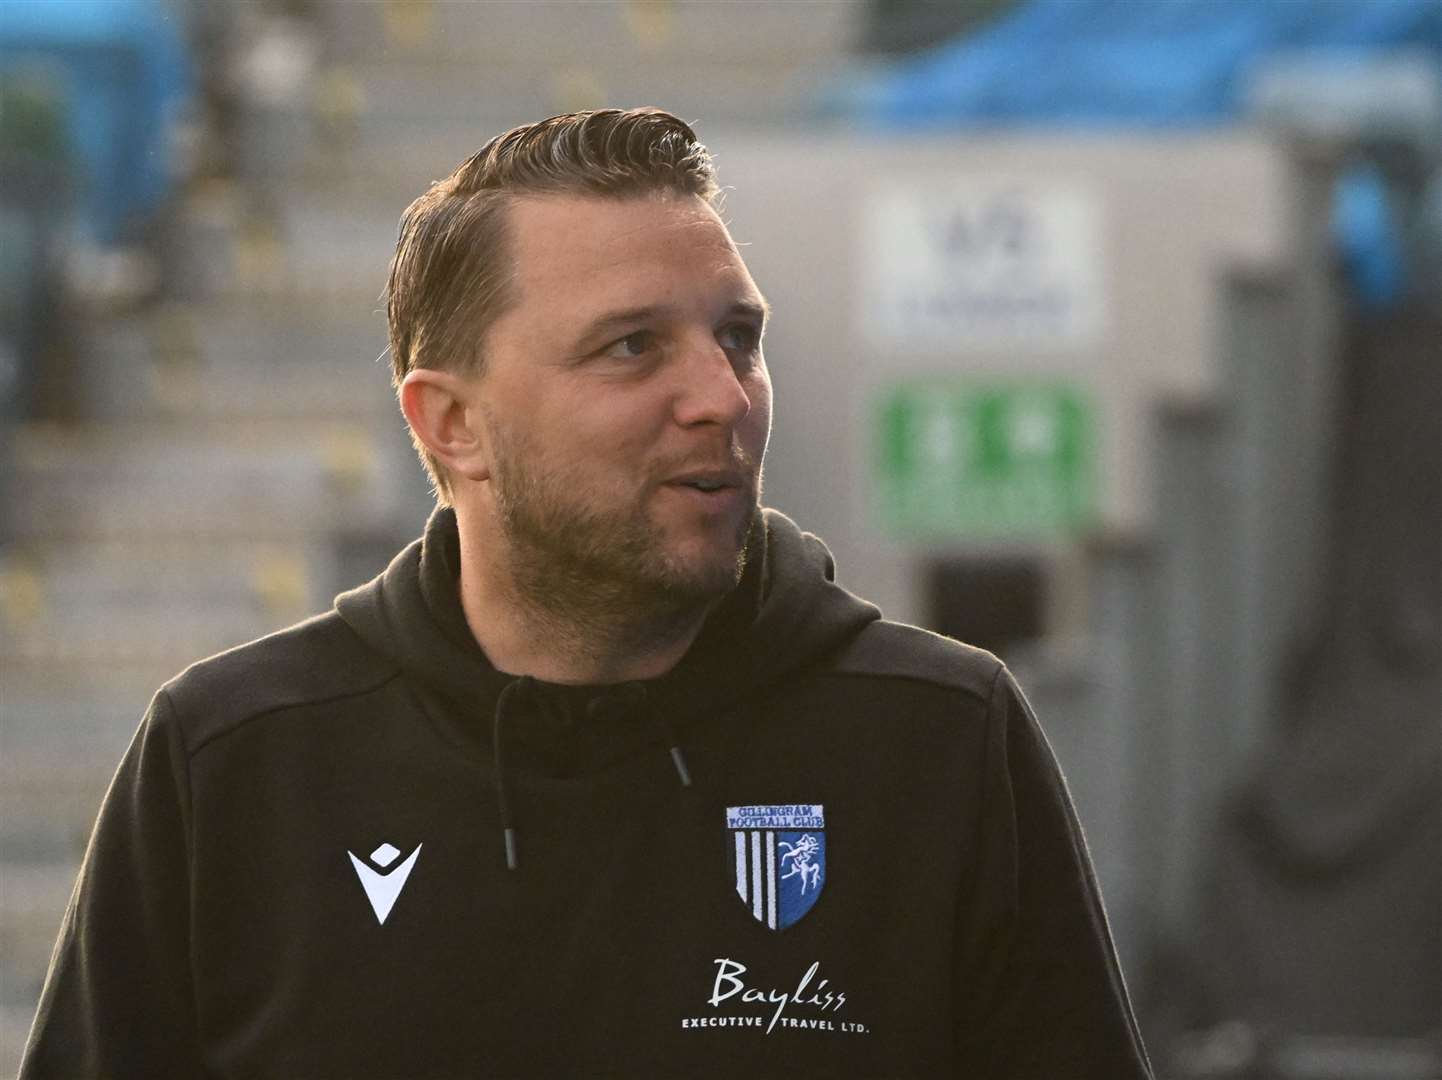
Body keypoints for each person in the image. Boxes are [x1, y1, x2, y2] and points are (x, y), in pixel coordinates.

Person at [21, 108, 1153, 1078]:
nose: (721, 396)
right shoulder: (232, 764)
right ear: (450, 424)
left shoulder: (938, 740)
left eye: (737, 337)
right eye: (630, 348)